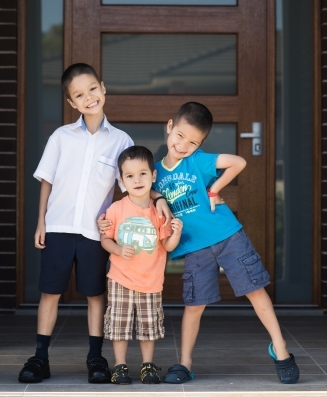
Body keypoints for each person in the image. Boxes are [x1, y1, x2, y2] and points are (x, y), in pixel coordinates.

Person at [98, 101, 299, 386]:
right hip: (194, 247)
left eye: (193, 142)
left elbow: (238, 163)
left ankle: (280, 350)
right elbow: (141, 190)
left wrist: (215, 188)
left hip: (228, 236)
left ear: (200, 144)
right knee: (195, 305)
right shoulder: (152, 171)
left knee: (255, 290)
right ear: (169, 127)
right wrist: (156, 200)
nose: (183, 145)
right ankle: (185, 363)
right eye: (179, 136)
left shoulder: (199, 161)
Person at [18, 63, 171, 385]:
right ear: (71, 103)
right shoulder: (61, 137)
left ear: (102, 88)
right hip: (59, 226)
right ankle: (40, 357)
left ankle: (95, 357)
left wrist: (158, 198)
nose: (88, 97)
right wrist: (40, 222)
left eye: (92, 89)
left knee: (95, 294)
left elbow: (133, 180)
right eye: (78, 95)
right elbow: (46, 181)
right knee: (50, 292)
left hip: (94, 232)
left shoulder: (119, 139)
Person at [100, 145, 183, 385]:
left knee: (148, 326)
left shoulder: (159, 211)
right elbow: (105, 239)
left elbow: (167, 245)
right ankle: (119, 366)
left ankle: (148, 366)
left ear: (153, 175)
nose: (137, 180)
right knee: (119, 325)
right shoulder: (116, 209)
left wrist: (176, 232)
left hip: (150, 280)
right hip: (120, 278)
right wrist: (117, 249)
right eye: (130, 176)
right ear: (122, 180)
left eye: (143, 174)